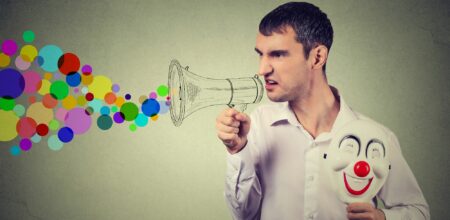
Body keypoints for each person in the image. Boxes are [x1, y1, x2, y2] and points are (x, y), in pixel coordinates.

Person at [215, 2, 430, 220]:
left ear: (317, 57)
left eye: (278, 54)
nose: (262, 69)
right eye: (261, 54)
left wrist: (383, 218)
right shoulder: (258, 124)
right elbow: (243, 216)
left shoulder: (375, 137)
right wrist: (238, 150)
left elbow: (419, 212)